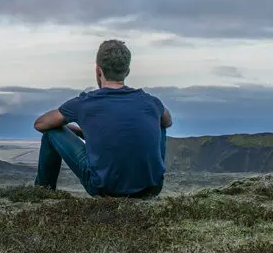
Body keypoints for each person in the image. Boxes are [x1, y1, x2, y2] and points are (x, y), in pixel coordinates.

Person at [33, 40, 173, 198]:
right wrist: (85, 133)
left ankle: (42, 194)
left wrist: (67, 128)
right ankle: (148, 177)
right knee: (160, 123)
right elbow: (168, 122)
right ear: (127, 71)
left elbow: (40, 124)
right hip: (152, 188)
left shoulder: (84, 103)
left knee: (50, 133)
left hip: (104, 189)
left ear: (98, 70)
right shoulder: (152, 102)